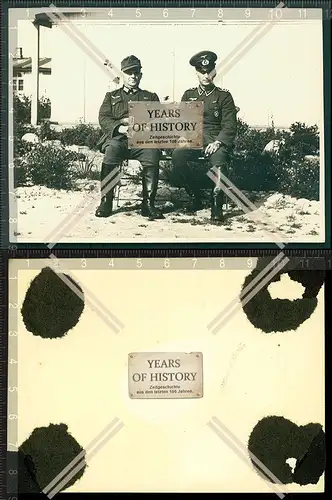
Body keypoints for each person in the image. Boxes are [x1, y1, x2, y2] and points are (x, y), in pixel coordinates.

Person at [171, 51, 237, 222]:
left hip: (215, 140)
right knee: (177, 156)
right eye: (202, 72)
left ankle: (217, 203)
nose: (206, 75)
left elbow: (230, 125)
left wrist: (219, 141)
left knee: (220, 159)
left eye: (209, 71)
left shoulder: (224, 96)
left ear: (214, 72)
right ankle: (195, 196)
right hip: (194, 139)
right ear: (196, 73)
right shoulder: (188, 94)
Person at [96, 55, 164, 220]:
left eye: (136, 72)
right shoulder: (111, 97)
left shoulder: (150, 97)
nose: (133, 76)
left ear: (140, 75)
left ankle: (148, 205)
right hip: (119, 139)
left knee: (153, 153)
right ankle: (106, 202)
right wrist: (121, 128)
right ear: (123, 75)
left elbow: (160, 119)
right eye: (129, 73)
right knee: (111, 151)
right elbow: (103, 118)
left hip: (142, 141)